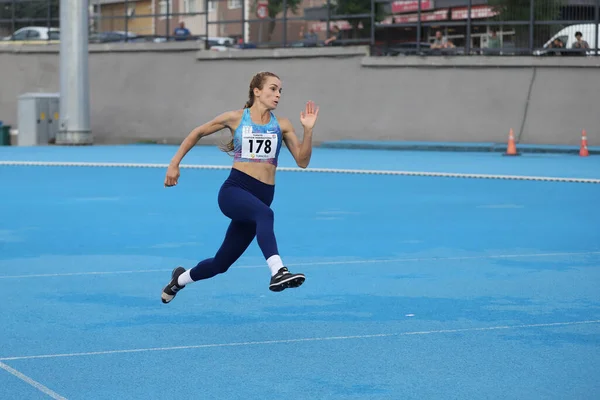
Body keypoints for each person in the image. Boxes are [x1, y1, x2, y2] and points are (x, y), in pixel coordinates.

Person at [161, 71, 319, 304]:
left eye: (280, 91)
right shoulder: (235, 118)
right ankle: (278, 271)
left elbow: (303, 161)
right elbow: (197, 132)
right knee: (265, 215)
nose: (278, 95)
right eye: (273, 89)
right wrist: (174, 164)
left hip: (262, 197)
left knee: (220, 264)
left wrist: (308, 130)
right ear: (257, 91)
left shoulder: (282, 125)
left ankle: (179, 280)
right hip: (235, 191)